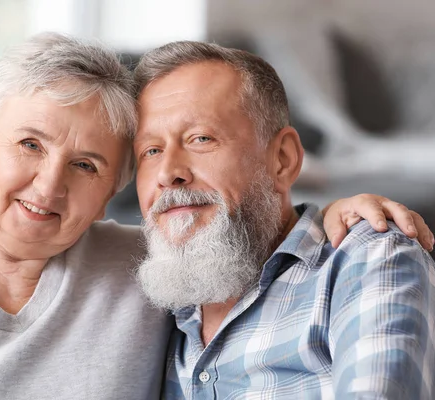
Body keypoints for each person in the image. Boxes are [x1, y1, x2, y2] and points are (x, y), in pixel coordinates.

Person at [0, 33, 431, 400]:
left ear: (109, 195)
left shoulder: (148, 271)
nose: (49, 184)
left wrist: (339, 216)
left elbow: (248, 228)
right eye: (29, 144)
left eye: (88, 165)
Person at [132, 40, 435, 399]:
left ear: (283, 160)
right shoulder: (139, 287)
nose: (168, 173)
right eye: (151, 150)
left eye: (200, 139)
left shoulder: (367, 256)